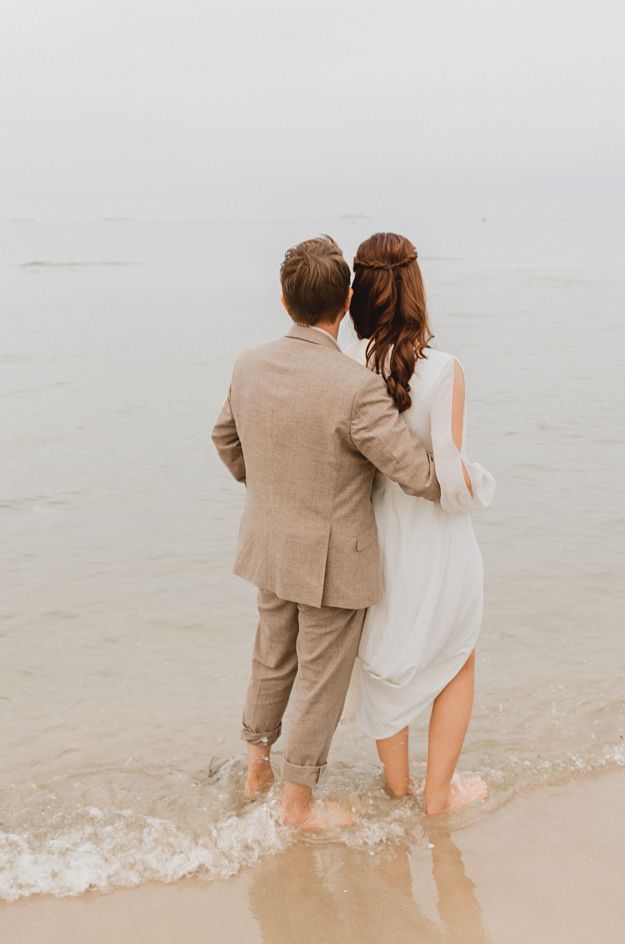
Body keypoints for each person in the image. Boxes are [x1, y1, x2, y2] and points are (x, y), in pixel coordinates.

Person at [211, 235, 445, 830]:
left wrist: (266, 489)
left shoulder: (249, 363)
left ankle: (256, 766)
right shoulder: (355, 387)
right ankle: (297, 805)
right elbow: (415, 473)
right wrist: (465, 479)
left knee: (271, 659)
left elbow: (225, 439)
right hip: (333, 562)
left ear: (284, 297)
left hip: (269, 543)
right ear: (345, 302)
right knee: (320, 680)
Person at [343, 232, 494, 816]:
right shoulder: (445, 370)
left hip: (371, 536)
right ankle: (437, 796)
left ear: (359, 291)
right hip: (435, 539)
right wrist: (484, 483)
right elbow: (450, 482)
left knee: (385, 661)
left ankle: (398, 787)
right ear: (415, 287)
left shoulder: (344, 363)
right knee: (456, 654)